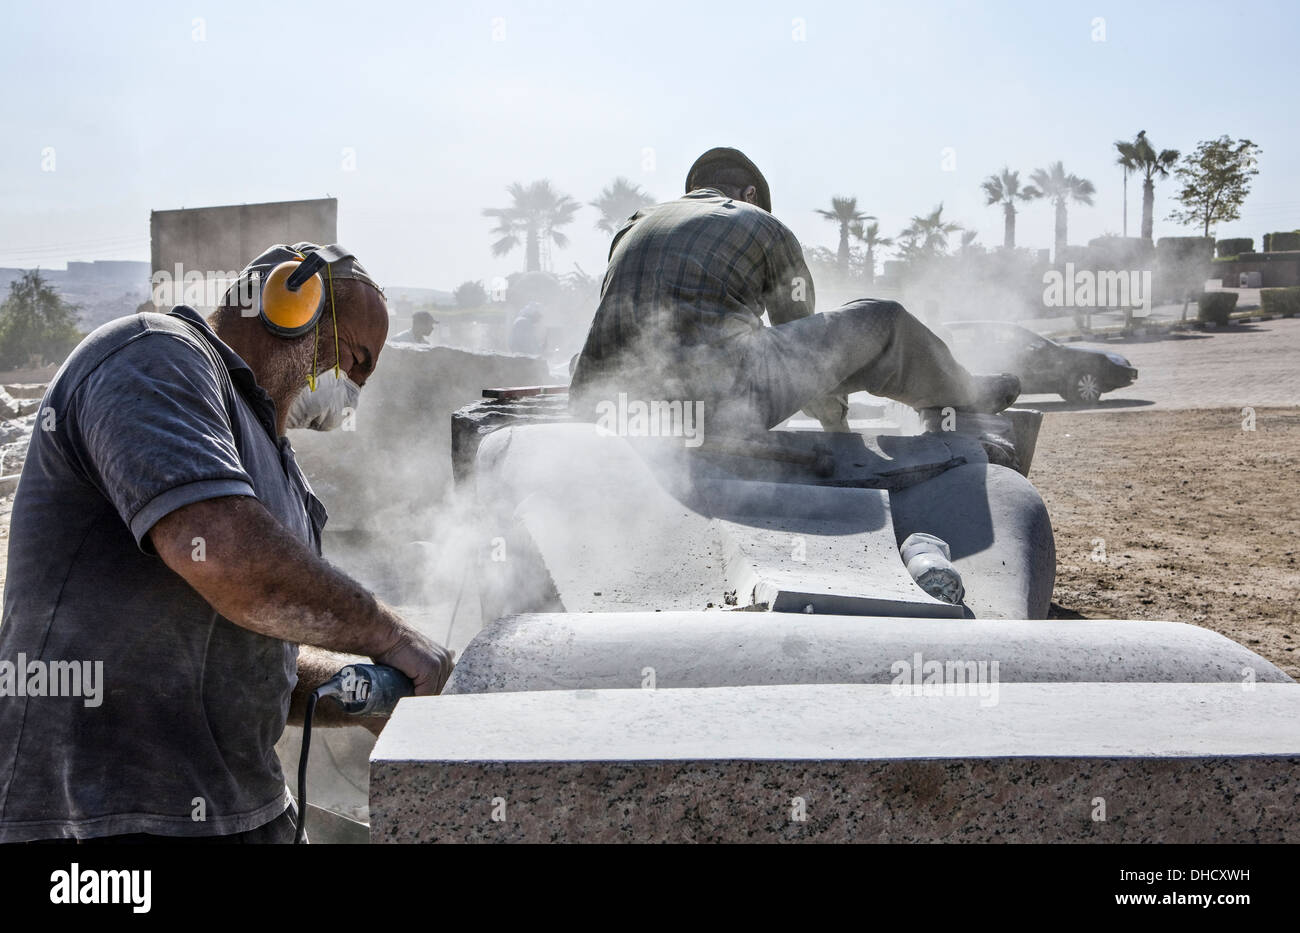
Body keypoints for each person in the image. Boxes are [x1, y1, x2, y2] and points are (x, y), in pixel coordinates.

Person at [0, 242, 452, 844]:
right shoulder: (153, 355)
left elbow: (262, 665)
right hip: (102, 818)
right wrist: (390, 633)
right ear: (292, 305)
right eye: (357, 360)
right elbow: (228, 559)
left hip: (242, 814)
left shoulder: (277, 466)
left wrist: (371, 695)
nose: (354, 388)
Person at [568, 147, 1019, 436]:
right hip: (714, 409)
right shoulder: (759, 222)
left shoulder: (635, 224)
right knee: (884, 320)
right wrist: (836, 427)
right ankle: (965, 393)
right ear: (749, 193)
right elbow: (809, 353)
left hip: (606, 407)